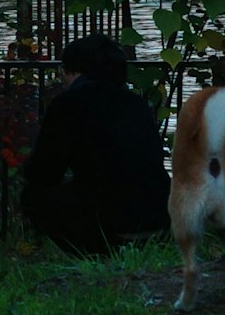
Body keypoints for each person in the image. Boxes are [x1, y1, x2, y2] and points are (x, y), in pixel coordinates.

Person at [21, 30, 168, 256]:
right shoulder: (136, 104)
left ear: (74, 71)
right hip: (158, 215)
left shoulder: (69, 104)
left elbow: (44, 173)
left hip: (109, 219)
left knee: (33, 196)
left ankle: (92, 253)